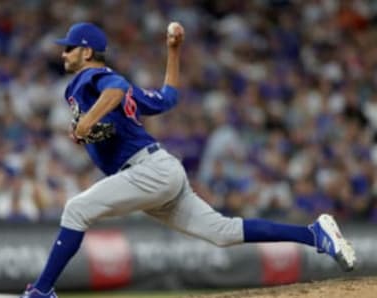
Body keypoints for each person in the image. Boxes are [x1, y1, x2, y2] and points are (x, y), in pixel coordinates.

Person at [21, 22, 356, 298]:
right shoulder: (99, 86)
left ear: (87, 51)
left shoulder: (91, 78)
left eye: (69, 47)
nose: (63, 52)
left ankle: (42, 290)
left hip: (147, 171)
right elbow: (168, 97)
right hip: (157, 172)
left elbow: (117, 87)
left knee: (76, 209)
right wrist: (173, 51)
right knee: (222, 232)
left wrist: (88, 120)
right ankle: (315, 234)